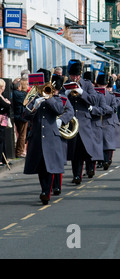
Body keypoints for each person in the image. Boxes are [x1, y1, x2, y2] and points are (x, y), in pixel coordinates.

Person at [23, 69, 65, 205]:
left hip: (51, 137)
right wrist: (34, 107)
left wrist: (49, 98)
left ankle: (46, 192)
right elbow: (25, 115)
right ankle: (44, 190)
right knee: (41, 167)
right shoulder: (33, 98)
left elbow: (59, 110)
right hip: (37, 137)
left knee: (50, 166)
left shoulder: (56, 98)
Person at [61, 59, 100, 184]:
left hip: (84, 121)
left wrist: (82, 92)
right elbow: (59, 102)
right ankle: (77, 175)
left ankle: (89, 169)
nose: (75, 78)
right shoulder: (65, 84)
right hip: (71, 122)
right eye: (73, 75)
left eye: (77, 75)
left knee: (86, 149)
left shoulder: (87, 84)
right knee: (75, 151)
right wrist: (66, 94)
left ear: (80, 74)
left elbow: (94, 100)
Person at [52, 73, 74, 195]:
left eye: (55, 89)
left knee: (58, 161)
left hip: (59, 134)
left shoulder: (63, 99)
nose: (54, 91)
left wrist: (61, 120)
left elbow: (70, 112)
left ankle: (57, 186)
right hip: (47, 133)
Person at [13, 79, 29, 158]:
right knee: (23, 135)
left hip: (17, 115)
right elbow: (27, 103)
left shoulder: (14, 93)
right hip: (22, 116)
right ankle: (20, 152)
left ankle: (18, 150)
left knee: (20, 134)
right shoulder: (23, 94)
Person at [0, 79, 11, 167]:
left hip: (3, 120)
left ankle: (4, 159)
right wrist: (7, 103)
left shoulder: (1, 96)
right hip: (0, 120)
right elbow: (6, 106)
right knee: (0, 140)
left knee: (3, 140)